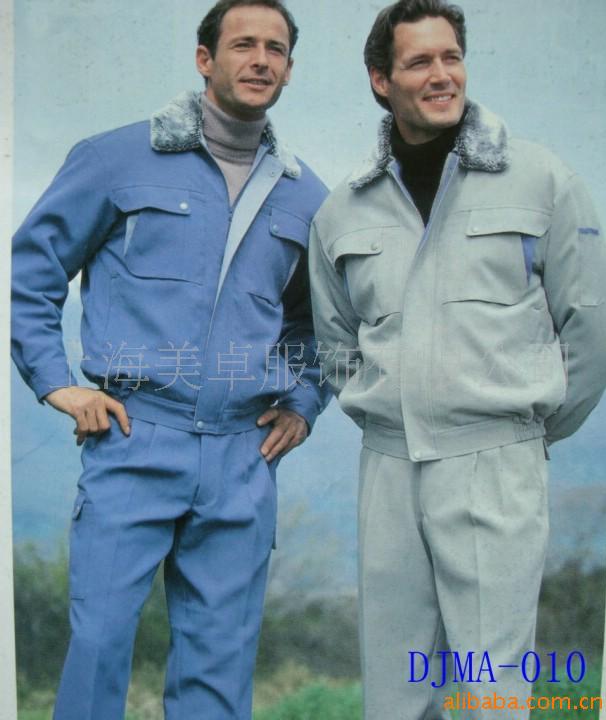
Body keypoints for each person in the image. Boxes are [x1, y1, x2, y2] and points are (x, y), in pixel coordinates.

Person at [11, 1, 329, 718]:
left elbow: (320, 324)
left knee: (219, 665)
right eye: (243, 44)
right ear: (204, 58)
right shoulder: (116, 159)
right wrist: (56, 383)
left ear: (289, 69)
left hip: (243, 456)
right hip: (134, 436)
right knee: (98, 647)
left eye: (275, 49)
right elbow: (32, 270)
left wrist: (304, 403)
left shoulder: (307, 197)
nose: (260, 60)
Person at [308, 0, 606, 717]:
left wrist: (519, 431)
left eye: (451, 57)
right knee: (395, 689)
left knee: (489, 689)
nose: (442, 74)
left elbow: (594, 333)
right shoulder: (343, 210)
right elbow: (336, 343)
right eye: (420, 62)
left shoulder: (540, 180)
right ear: (381, 80)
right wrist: (392, 411)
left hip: (494, 463)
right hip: (388, 466)